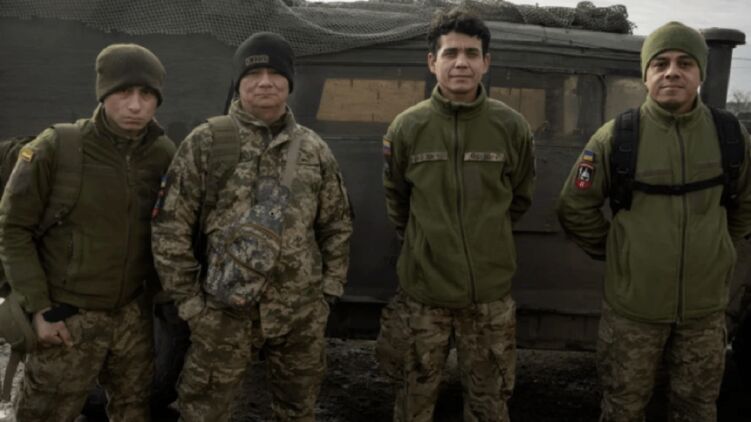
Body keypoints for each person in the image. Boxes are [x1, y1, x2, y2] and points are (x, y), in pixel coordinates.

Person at [151, 31, 353, 421]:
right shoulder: (206, 142)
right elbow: (170, 228)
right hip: (223, 315)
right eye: (253, 74)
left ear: (289, 83)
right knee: (204, 412)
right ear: (238, 81)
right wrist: (192, 305)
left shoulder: (313, 149)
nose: (265, 82)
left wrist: (327, 293)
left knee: (297, 411)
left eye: (275, 73)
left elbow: (337, 224)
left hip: (298, 315)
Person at [556, 21, 751, 421]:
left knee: (697, 410)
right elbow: (574, 206)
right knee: (623, 410)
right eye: (660, 64)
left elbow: (746, 203)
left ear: (700, 73)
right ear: (645, 76)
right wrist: (620, 252)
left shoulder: (731, 136)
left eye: (684, 63)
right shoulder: (616, 138)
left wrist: (718, 248)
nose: (672, 72)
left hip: (703, 314)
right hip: (633, 315)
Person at [0, 43, 175, 420]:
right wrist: (39, 308)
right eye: (123, 92)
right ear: (103, 93)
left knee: (134, 411)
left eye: (146, 94)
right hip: (67, 318)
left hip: (131, 318)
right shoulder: (57, 147)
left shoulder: (162, 153)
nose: (135, 105)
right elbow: (13, 229)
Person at [378, 7, 536, 421]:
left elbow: (520, 197)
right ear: (432, 62)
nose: (461, 62)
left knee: (489, 405)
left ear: (486, 62)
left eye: (471, 53)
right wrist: (424, 245)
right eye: (450, 53)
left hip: (488, 298)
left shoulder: (512, 127)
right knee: (412, 403)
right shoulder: (407, 128)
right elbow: (397, 199)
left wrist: (488, 241)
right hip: (423, 296)